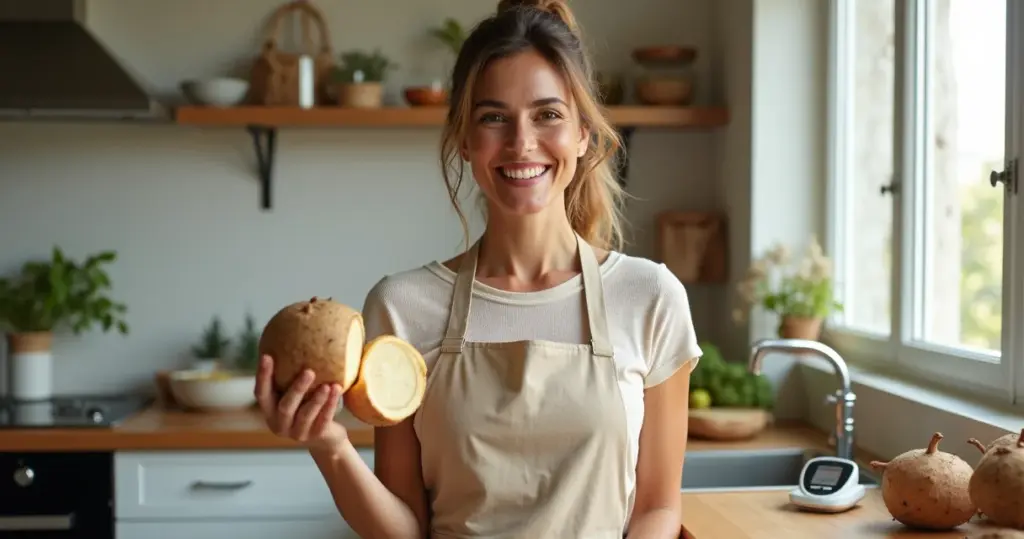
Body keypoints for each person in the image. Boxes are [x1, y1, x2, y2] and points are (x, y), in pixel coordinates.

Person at [253, 0, 702, 537]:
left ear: (583, 133)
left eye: (548, 115)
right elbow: (405, 528)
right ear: (464, 139)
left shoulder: (649, 297)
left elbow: (657, 508)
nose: (521, 143)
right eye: (494, 118)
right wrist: (329, 446)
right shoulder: (401, 307)